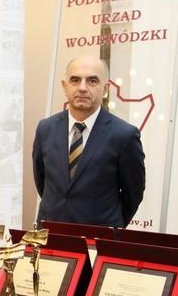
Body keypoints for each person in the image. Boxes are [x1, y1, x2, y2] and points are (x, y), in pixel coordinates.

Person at [32, 55, 145, 228]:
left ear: (105, 89)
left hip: (98, 237)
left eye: (92, 81)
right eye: (75, 80)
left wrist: (111, 227)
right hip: (50, 234)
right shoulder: (45, 129)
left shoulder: (124, 135)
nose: (82, 88)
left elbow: (133, 194)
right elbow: (42, 182)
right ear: (65, 86)